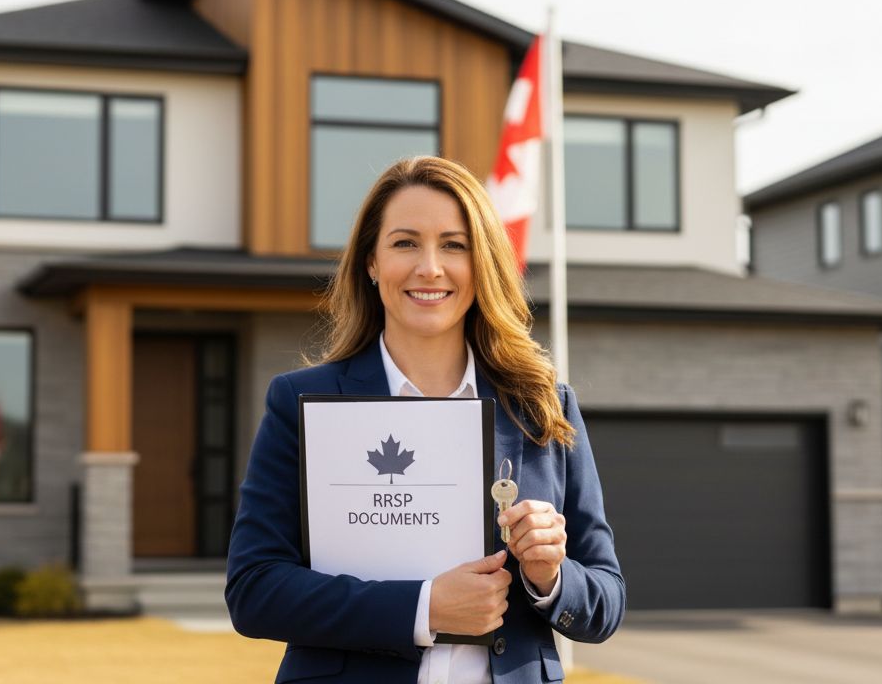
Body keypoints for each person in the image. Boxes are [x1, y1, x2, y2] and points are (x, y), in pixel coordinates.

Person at [225, 156, 624, 683]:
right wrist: (424, 608)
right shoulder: (301, 402)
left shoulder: (542, 405)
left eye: (454, 245)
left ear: (481, 263)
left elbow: (605, 601)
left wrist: (549, 576)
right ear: (371, 261)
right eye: (405, 242)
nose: (430, 267)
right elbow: (255, 589)